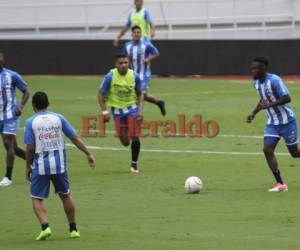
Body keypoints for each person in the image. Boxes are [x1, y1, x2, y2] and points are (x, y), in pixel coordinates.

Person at [24, 91, 96, 240]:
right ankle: (73, 229)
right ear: (48, 104)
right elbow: (74, 138)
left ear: (33, 106)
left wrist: (28, 167)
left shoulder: (30, 122)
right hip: (59, 165)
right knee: (65, 196)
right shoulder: (59, 118)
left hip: (41, 166)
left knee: (36, 198)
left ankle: (45, 226)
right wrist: (88, 154)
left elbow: (30, 148)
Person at [247, 57, 300, 192]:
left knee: (294, 153)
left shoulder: (275, 80)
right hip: (272, 123)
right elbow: (263, 99)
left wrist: (269, 105)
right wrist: (254, 113)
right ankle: (280, 183)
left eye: (255, 69)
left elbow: (287, 98)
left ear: (263, 69)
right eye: (252, 69)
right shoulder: (257, 83)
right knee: (267, 150)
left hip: (287, 121)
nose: (252, 71)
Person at [98, 54, 144, 173]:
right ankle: (126, 131)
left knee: (134, 135)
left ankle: (134, 164)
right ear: (116, 64)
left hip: (132, 109)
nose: (123, 65)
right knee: (125, 142)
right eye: (121, 63)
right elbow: (101, 94)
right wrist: (105, 112)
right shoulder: (110, 76)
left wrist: (140, 111)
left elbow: (140, 94)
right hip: (117, 112)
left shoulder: (134, 76)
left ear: (128, 64)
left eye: (125, 62)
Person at [0, 51, 30, 187]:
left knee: (7, 143)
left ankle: (8, 177)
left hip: (11, 114)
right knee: (15, 148)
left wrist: (20, 106)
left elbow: (26, 91)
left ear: (3, 60)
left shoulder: (11, 75)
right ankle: (34, 162)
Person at [123, 25, 166, 116]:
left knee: (140, 93)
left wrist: (148, 59)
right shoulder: (127, 45)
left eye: (138, 32)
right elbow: (124, 57)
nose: (136, 34)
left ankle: (138, 115)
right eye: (134, 32)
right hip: (133, 74)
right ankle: (159, 103)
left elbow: (156, 53)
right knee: (144, 96)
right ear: (132, 34)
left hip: (144, 74)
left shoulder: (146, 44)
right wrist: (127, 59)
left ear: (141, 34)